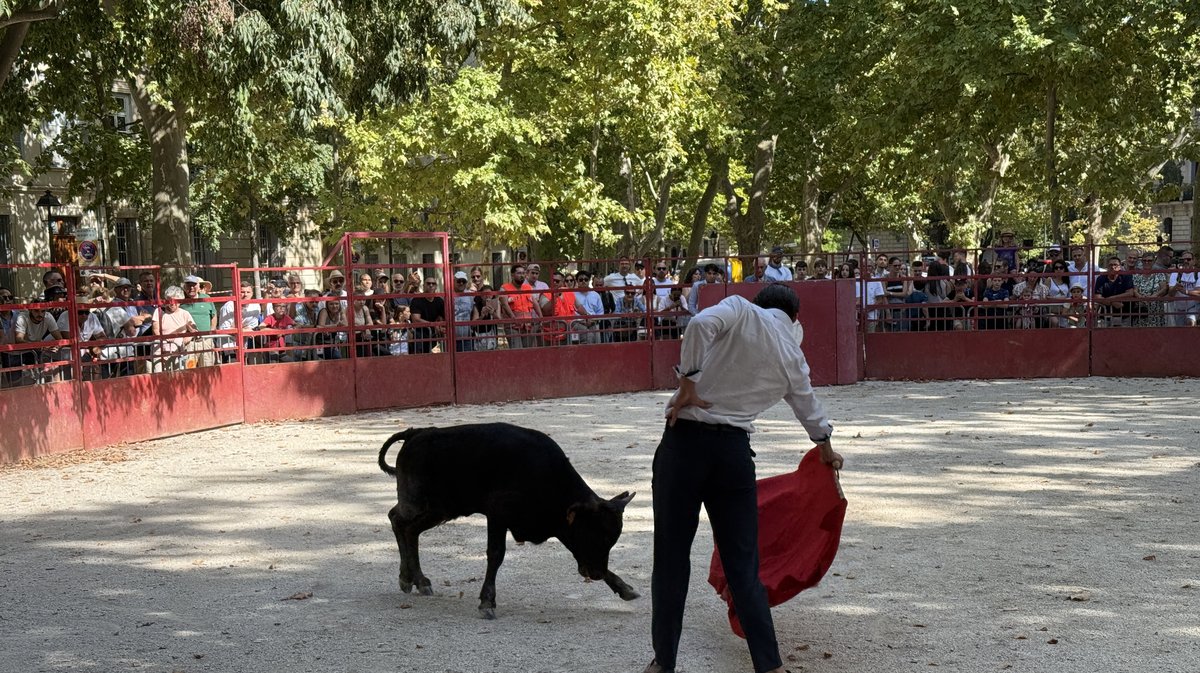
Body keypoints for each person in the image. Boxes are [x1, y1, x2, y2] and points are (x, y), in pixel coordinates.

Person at [644, 283, 840, 673]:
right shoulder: (793, 357)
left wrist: (688, 382)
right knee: (743, 566)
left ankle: (663, 664)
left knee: (670, 560)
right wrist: (826, 451)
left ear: (759, 303)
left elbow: (699, 324)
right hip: (733, 455)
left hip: (683, 446)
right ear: (795, 319)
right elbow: (810, 411)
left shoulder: (740, 309)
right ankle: (769, 666)